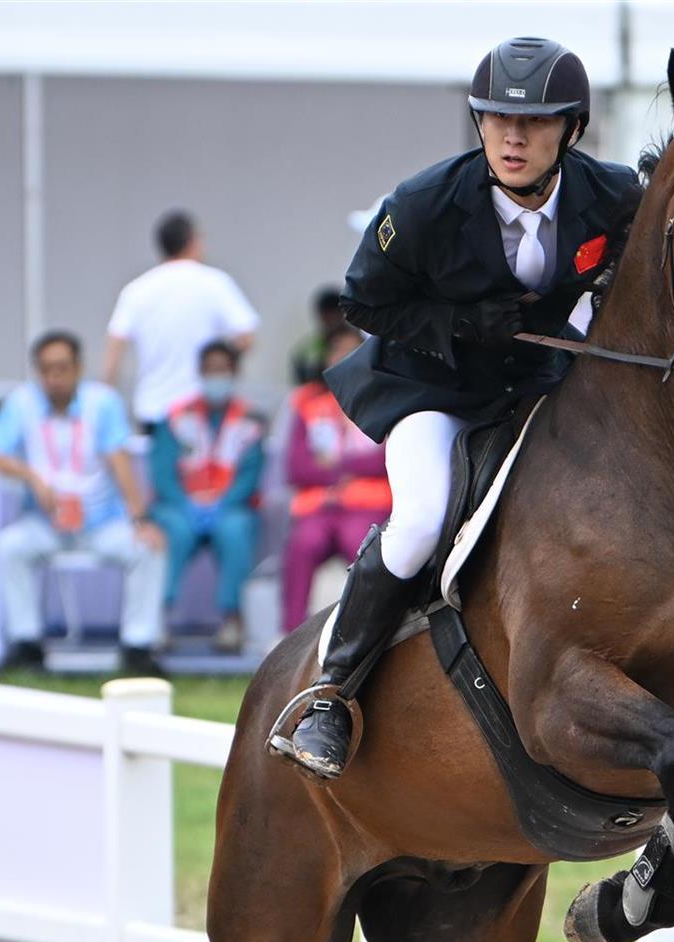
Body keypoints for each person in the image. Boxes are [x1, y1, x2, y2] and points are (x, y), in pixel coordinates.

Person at [273, 35, 641, 778]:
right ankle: (329, 696)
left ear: (572, 129)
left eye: (534, 122)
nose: (512, 138)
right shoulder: (423, 205)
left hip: (538, 382)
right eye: (497, 119)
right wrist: (459, 324)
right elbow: (363, 301)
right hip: (433, 388)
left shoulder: (613, 196)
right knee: (419, 522)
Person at [0, 330, 166, 674]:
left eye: (62, 368)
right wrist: (31, 476)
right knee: (7, 547)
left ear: (79, 368)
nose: (55, 378)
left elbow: (120, 462)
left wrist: (139, 519)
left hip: (100, 523)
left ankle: (138, 647)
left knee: (147, 548)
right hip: (45, 522)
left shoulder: (102, 402)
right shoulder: (23, 403)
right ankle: (26, 642)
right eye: (47, 370)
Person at [149, 340, 267, 654]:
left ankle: (231, 620)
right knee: (172, 530)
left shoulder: (251, 419)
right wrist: (185, 503)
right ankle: (159, 617)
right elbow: (162, 472)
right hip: (181, 505)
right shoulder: (175, 417)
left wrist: (222, 503)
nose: (216, 376)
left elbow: (251, 473)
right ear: (200, 373)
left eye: (222, 369)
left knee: (235, 529)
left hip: (229, 506)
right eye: (210, 370)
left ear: (235, 372)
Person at [101, 210, 259, 433]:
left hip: (153, 407)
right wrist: (219, 367)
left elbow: (113, 355)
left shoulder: (136, 290)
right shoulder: (215, 283)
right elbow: (246, 338)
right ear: (193, 242)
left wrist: (106, 407)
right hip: (201, 408)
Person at [282, 327, 391, 630]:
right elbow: (296, 467)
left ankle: (366, 630)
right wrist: (352, 468)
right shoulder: (309, 404)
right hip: (319, 506)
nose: (344, 357)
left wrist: (337, 465)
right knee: (303, 544)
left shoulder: (383, 399)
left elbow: (385, 461)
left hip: (367, 506)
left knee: (361, 544)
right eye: (337, 350)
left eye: (352, 350)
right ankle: (290, 632)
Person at [289, 285, 351, 386]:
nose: (332, 320)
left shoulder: (356, 341)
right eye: (327, 315)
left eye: (334, 314)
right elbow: (301, 375)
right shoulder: (309, 347)